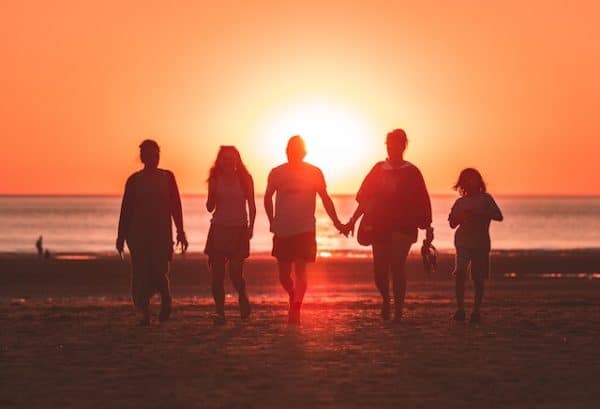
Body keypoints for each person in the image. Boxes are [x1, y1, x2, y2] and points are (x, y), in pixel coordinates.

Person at [344, 129, 433, 322]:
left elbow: (422, 200)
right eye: (389, 144)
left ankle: (398, 310)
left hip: (404, 226)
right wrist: (353, 220)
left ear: (404, 145)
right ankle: (386, 299)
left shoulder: (412, 172)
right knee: (379, 271)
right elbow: (365, 199)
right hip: (379, 224)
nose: (392, 147)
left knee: (397, 265)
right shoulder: (378, 169)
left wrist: (427, 227)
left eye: (397, 144)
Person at [264, 135, 345, 324]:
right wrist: (272, 221)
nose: (294, 153)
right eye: (291, 150)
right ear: (286, 151)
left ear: (303, 152)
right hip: (282, 230)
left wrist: (336, 222)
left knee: (301, 270)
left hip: (305, 229)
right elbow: (267, 197)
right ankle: (293, 295)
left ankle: (296, 307)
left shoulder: (314, 172)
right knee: (284, 276)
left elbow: (325, 198)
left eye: (297, 150)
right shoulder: (277, 172)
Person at [116, 139, 188, 326]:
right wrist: (121, 236)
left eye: (155, 155)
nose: (152, 158)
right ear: (142, 158)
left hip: (161, 234)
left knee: (159, 271)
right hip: (138, 235)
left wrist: (181, 231)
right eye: (147, 155)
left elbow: (176, 206)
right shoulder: (134, 181)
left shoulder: (167, 177)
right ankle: (145, 314)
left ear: (159, 156)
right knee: (141, 274)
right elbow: (126, 210)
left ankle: (166, 297)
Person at [204, 146, 256, 324]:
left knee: (235, 272)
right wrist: (211, 193)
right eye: (224, 159)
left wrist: (251, 227)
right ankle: (220, 312)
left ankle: (242, 295)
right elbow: (210, 207)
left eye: (231, 159)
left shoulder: (245, 179)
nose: (228, 162)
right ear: (219, 161)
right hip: (219, 228)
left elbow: (252, 205)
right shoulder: (215, 179)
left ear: (237, 161)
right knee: (217, 275)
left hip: (239, 229)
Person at [448, 168, 503, 324]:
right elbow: (452, 223)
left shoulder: (486, 199)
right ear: (462, 183)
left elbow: (498, 216)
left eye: (473, 179)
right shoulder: (460, 202)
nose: (470, 182)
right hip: (463, 241)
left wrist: (481, 214)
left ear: (479, 181)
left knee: (478, 278)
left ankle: (476, 311)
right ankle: (460, 309)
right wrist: (461, 217)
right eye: (466, 179)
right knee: (460, 272)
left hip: (481, 242)